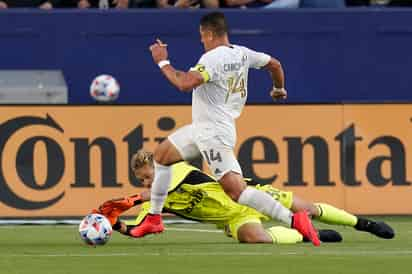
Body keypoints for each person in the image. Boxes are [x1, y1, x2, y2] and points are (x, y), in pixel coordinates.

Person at [143, 11, 321, 246]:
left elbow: (185, 84)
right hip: (204, 127)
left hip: (213, 134)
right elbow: (274, 65)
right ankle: (154, 218)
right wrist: (279, 89)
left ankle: (294, 220)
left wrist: (162, 61)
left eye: (201, 36)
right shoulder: (243, 54)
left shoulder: (212, 59)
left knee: (238, 192)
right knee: (162, 156)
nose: (201, 41)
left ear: (207, 33)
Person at [93, 149, 394, 244]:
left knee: (309, 207)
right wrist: (113, 223)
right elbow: (136, 231)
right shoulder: (154, 202)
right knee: (257, 239)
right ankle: (309, 236)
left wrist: (131, 199)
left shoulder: (176, 170)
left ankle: (363, 224)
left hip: (248, 195)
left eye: (149, 174)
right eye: (143, 178)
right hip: (234, 216)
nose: (149, 181)